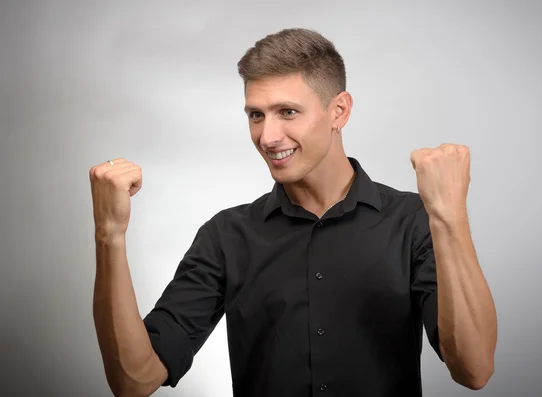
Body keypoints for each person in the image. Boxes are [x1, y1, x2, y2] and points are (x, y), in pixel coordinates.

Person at [90, 28, 497, 397]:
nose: (267, 137)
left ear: (339, 111)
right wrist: (109, 234)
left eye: (287, 112)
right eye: (255, 115)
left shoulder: (412, 221)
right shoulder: (225, 236)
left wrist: (449, 218)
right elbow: (134, 380)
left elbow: (473, 369)